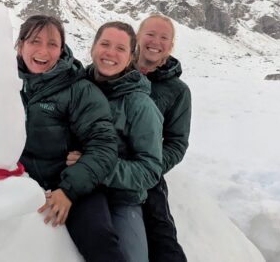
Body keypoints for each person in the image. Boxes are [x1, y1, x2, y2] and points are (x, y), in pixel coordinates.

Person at [16, 14, 126, 262]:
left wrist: (67, 190)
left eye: (53, 44)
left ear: (61, 49)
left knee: (99, 238)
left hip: (75, 183)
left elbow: (104, 146)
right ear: (20, 45)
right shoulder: (7, 83)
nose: (43, 50)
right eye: (35, 41)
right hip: (20, 180)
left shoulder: (80, 90)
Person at [68, 21, 163, 262]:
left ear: (131, 56)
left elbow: (150, 170)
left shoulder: (140, 106)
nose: (110, 53)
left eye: (120, 49)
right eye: (105, 44)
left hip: (123, 199)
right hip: (77, 190)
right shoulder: (75, 88)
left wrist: (97, 167)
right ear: (93, 48)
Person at [136, 14, 192, 262]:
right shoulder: (113, 70)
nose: (155, 42)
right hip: (103, 162)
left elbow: (177, 143)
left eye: (163, 37)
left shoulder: (178, 91)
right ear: (137, 37)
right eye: (150, 34)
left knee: (161, 233)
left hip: (147, 173)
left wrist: (150, 167)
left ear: (170, 45)